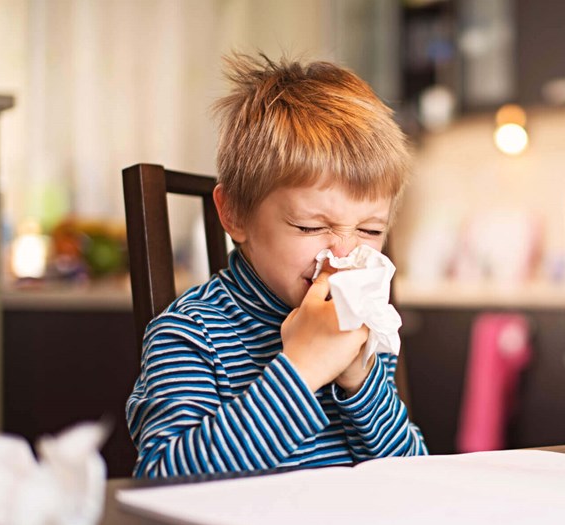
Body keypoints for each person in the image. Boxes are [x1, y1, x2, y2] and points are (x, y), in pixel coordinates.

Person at [127, 54, 428, 478]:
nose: (342, 254)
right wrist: (302, 370)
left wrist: (362, 383)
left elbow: (414, 472)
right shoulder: (192, 335)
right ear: (234, 214)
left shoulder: (361, 326)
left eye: (369, 231)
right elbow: (162, 481)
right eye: (309, 227)